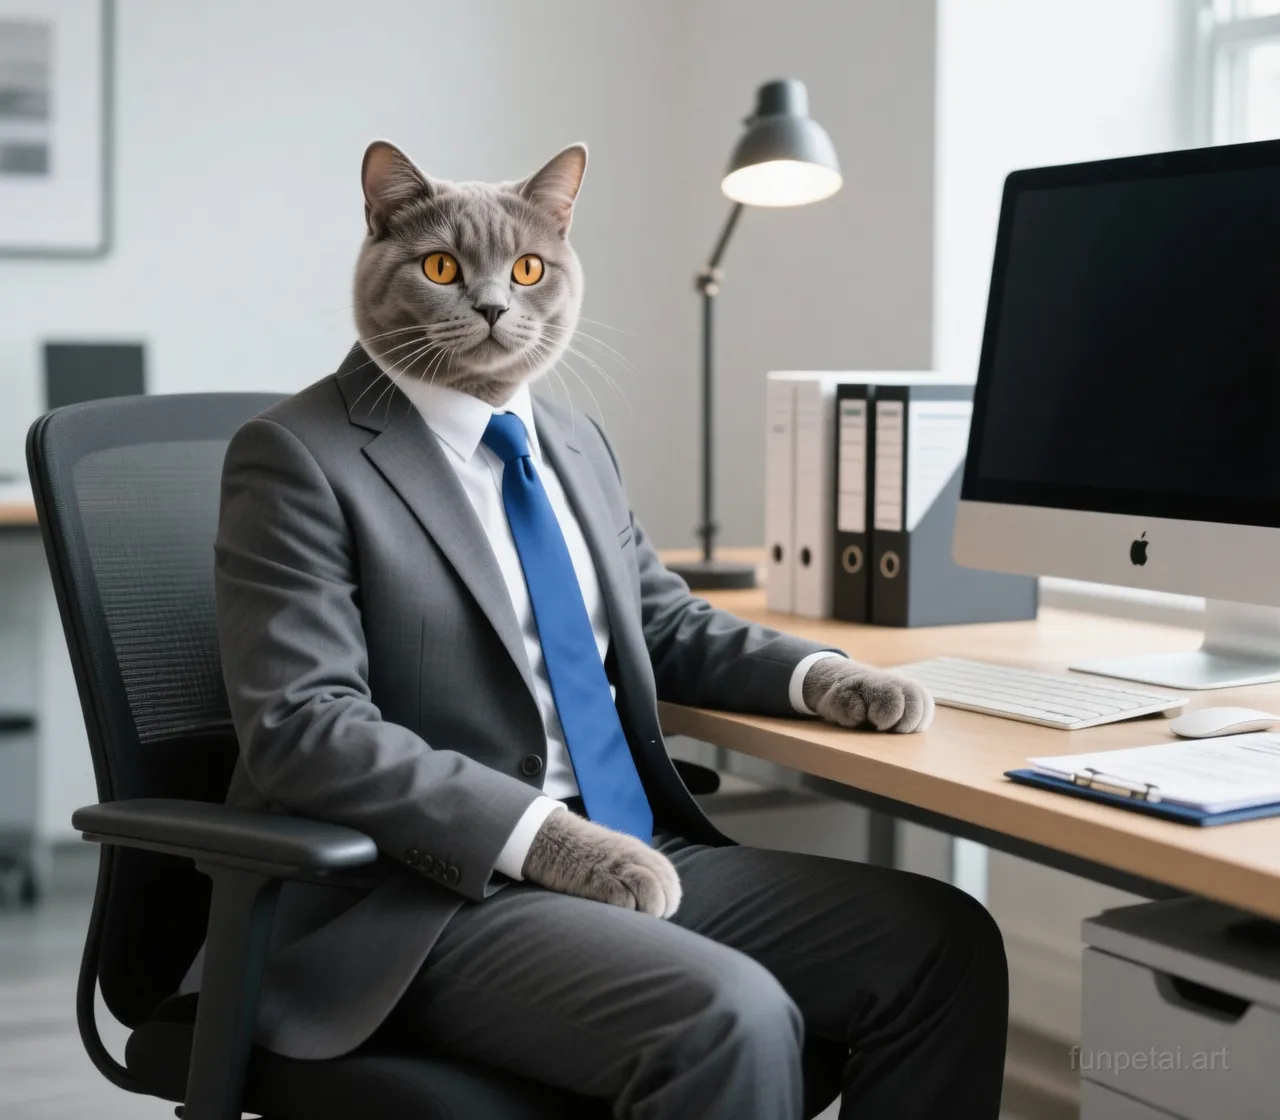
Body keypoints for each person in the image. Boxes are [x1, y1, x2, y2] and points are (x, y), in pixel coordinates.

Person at [211, 139, 1008, 1118]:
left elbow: (659, 621)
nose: (497, 299)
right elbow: (304, 726)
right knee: (731, 1016)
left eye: (530, 267)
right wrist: (549, 841)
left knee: (940, 942)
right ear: (380, 238)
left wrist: (820, 676)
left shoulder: (571, 441)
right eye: (446, 268)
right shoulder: (299, 455)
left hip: (632, 846)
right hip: (427, 895)